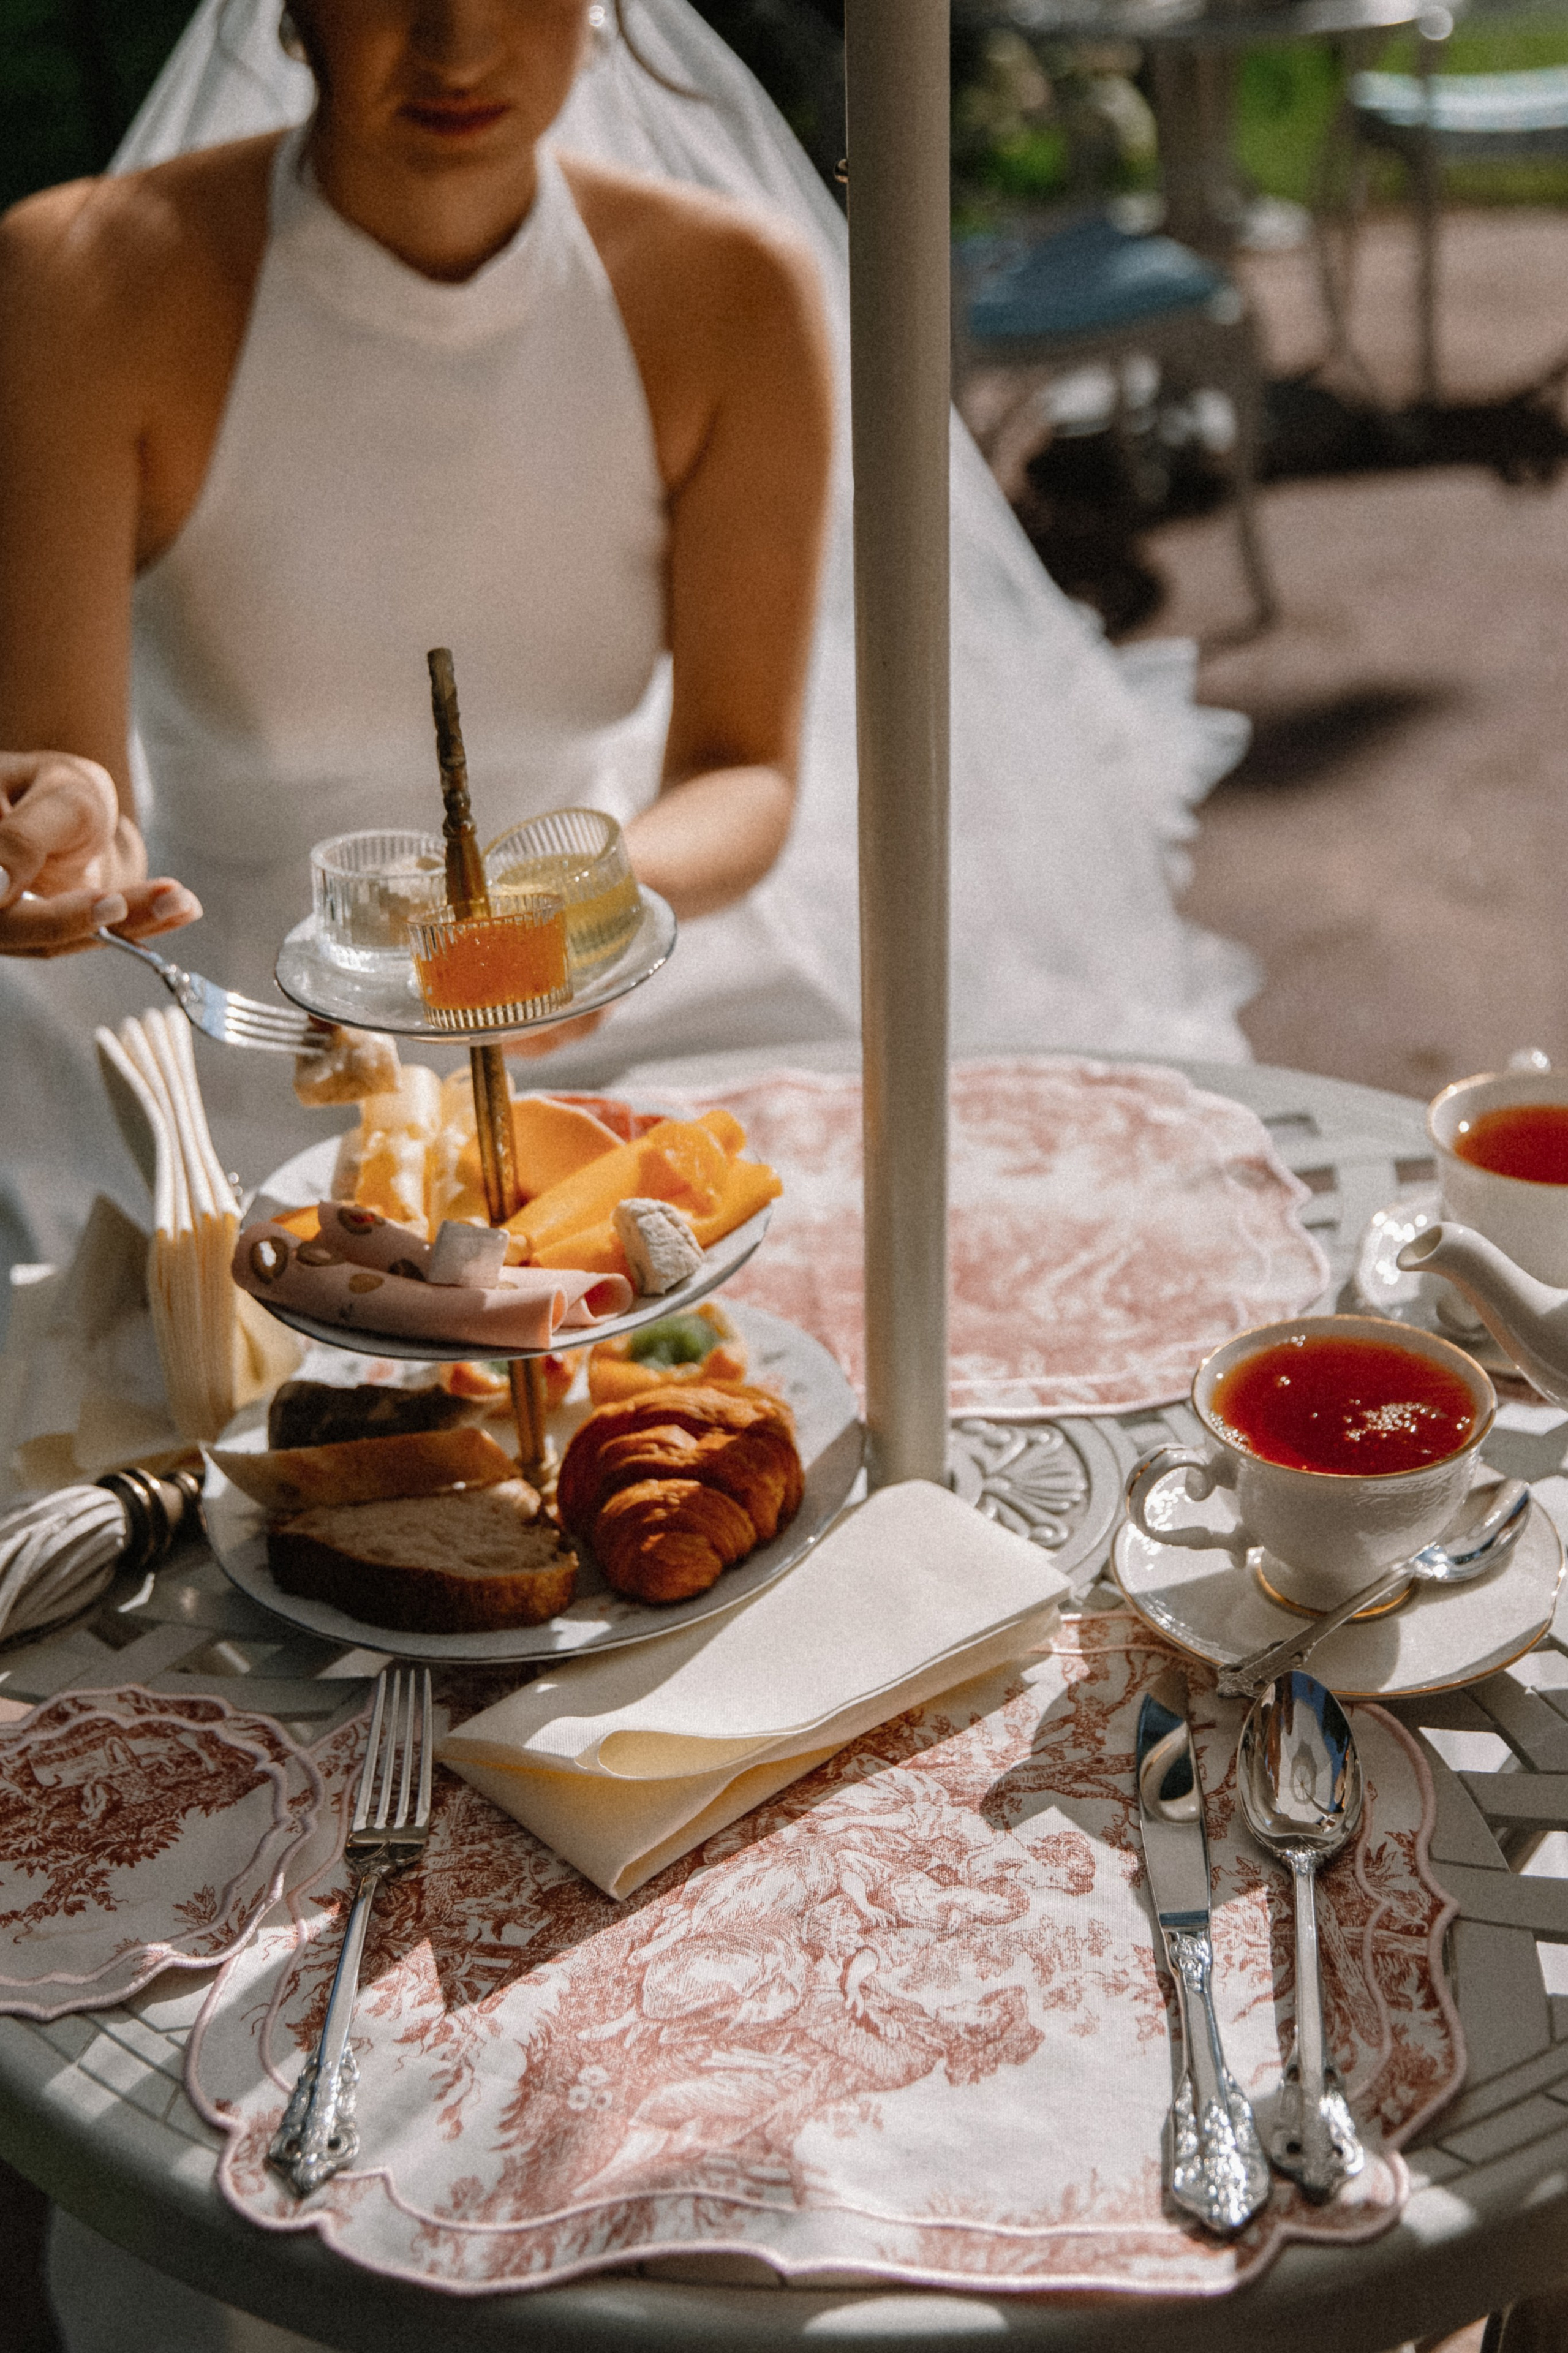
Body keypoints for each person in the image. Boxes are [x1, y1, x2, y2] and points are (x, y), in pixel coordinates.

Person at [0, 0, 1254, 1272]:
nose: (457, 43)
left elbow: (739, 768)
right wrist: (63, 839)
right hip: (249, 1047)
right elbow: (71, 776)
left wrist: (561, 935)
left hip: (613, 996)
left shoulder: (732, 293)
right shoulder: (82, 284)